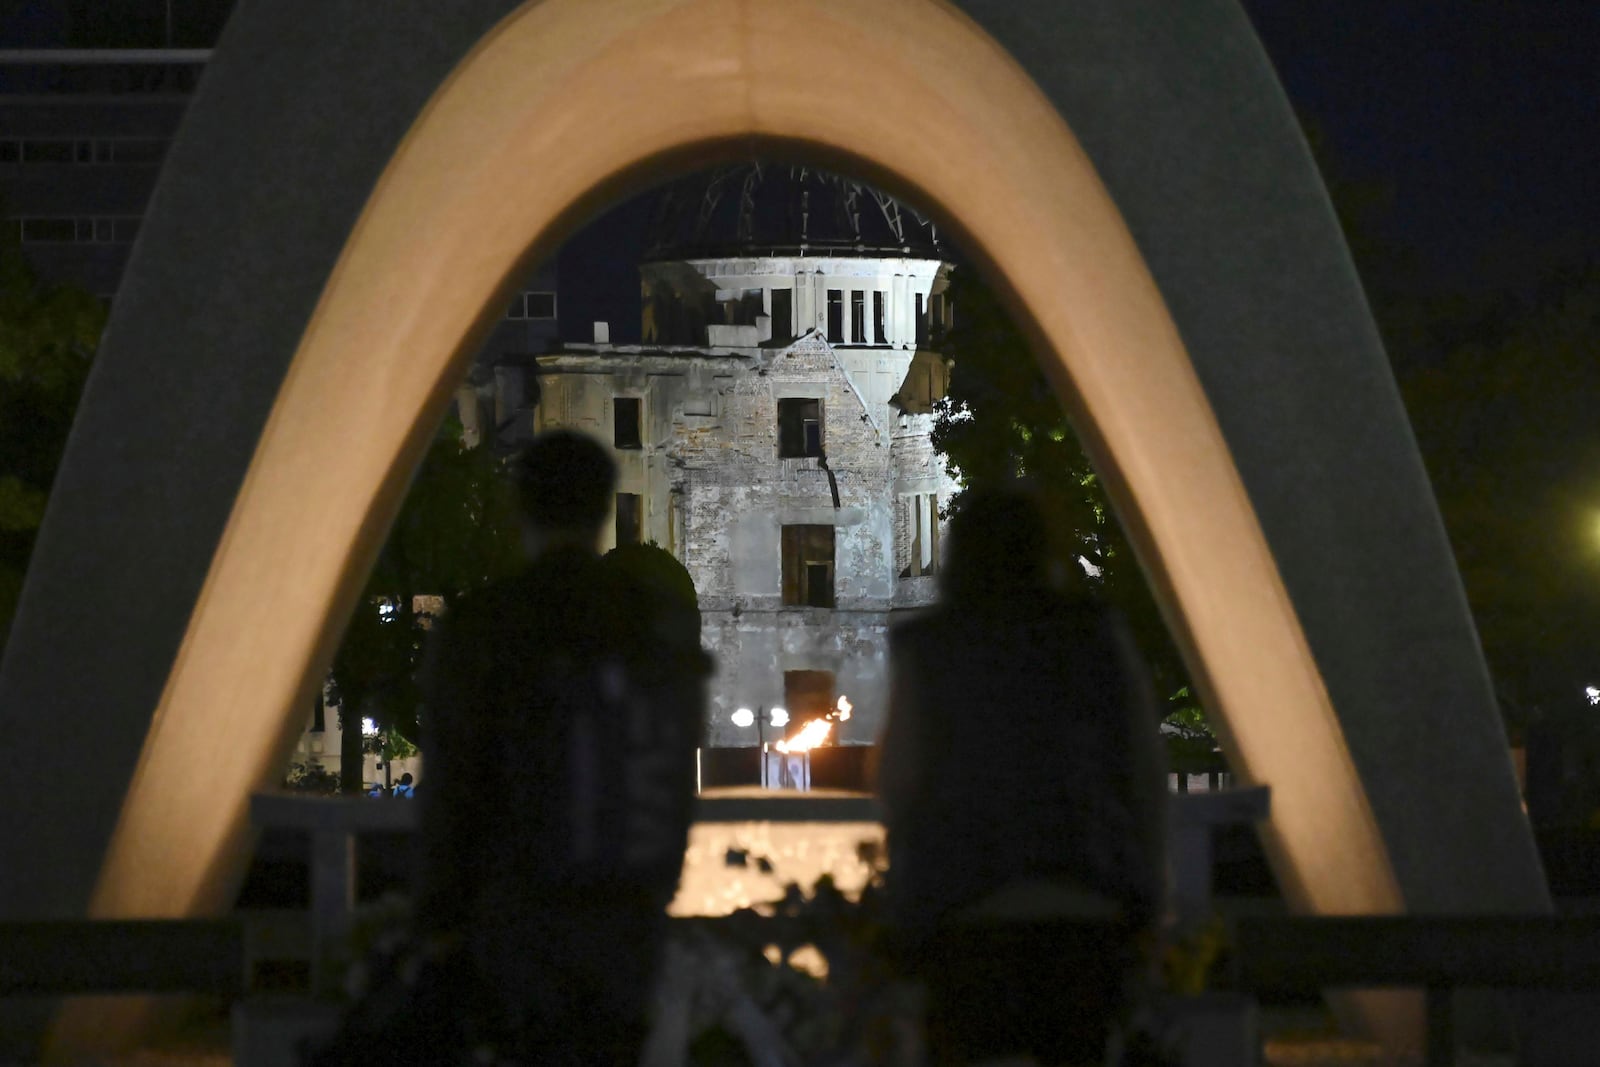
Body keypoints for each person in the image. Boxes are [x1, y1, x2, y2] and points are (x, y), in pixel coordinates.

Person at [414, 430, 709, 1065]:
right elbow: (674, 767)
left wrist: (441, 917)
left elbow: (452, 787)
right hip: (622, 917)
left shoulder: (484, 625)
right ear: (605, 509)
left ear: (521, 506)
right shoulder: (650, 623)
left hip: (511, 916)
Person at [876, 486, 1168, 1067]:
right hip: (1083, 901)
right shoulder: (1095, 634)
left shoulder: (931, 646)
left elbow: (900, 780)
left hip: (966, 905)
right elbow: (1141, 771)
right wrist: (1148, 894)